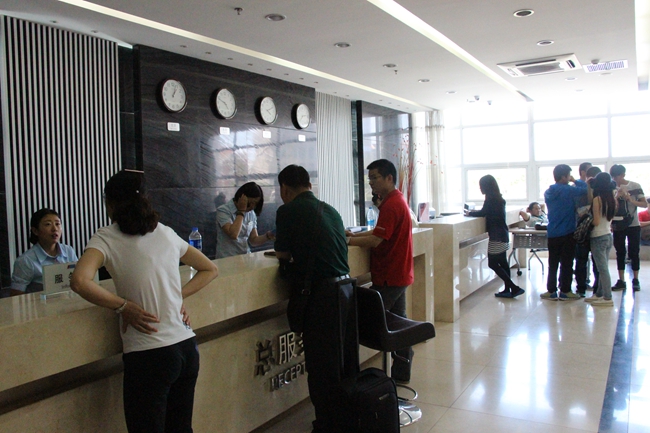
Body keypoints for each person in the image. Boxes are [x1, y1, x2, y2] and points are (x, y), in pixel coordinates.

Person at [70, 170, 219, 433]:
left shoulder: (106, 237)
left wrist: (123, 306)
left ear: (110, 203)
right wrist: (175, 297)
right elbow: (210, 269)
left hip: (149, 355)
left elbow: (80, 281)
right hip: (186, 348)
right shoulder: (165, 232)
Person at [273, 165, 355, 433]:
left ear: (284, 189)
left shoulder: (287, 211)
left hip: (321, 298)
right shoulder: (330, 210)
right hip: (346, 291)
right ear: (309, 185)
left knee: (320, 367)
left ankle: (327, 425)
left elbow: (283, 254)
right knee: (340, 362)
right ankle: (343, 419)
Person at [348, 159, 414, 382]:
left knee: (368, 320)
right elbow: (379, 232)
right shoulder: (395, 200)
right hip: (398, 274)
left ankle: (355, 374)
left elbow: (376, 240)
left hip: (390, 275)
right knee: (399, 323)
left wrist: (348, 242)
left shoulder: (392, 204)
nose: (371, 183)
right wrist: (354, 236)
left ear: (389, 178)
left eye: (375, 178)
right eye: (370, 179)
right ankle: (402, 370)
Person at [466, 175, 524, 298]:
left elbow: (483, 212)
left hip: (496, 236)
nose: (480, 189)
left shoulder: (491, 199)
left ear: (487, 187)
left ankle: (513, 288)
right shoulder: (498, 198)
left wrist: (469, 213)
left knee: (492, 263)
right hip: (503, 234)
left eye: (481, 186)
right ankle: (508, 289)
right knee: (503, 263)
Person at [540, 164, 588, 300]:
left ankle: (551, 291)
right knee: (567, 263)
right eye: (568, 175)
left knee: (553, 263)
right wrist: (575, 180)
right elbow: (585, 189)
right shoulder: (569, 190)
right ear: (564, 177)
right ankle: (565, 291)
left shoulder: (548, 192)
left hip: (552, 232)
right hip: (567, 232)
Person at [10, 208, 78, 296]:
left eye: (57, 224)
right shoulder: (25, 261)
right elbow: (16, 296)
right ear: (35, 231)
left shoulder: (69, 251)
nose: (54, 229)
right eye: (48, 224)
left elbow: (79, 278)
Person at [610, 164, 647, 292]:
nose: (616, 180)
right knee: (620, 252)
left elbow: (644, 204)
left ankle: (635, 279)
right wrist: (616, 197)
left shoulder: (635, 186)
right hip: (617, 224)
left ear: (623, 175)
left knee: (634, 252)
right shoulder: (611, 187)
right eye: (613, 177)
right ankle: (621, 280)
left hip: (633, 224)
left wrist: (630, 199)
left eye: (617, 177)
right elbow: (609, 206)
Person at [216, 182, 274, 258]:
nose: (252, 207)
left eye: (255, 204)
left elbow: (253, 240)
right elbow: (233, 234)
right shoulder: (223, 210)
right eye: (250, 203)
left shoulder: (251, 213)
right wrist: (241, 211)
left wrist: (267, 236)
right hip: (227, 257)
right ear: (241, 198)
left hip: (245, 256)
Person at [584, 172, 617, 306]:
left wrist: (586, 220)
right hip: (608, 235)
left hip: (598, 236)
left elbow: (596, 221)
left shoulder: (598, 199)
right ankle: (599, 293)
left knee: (602, 269)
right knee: (603, 267)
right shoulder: (612, 198)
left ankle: (607, 297)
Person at [574, 162, 593, 296]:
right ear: (582, 172)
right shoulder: (576, 188)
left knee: (594, 260)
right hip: (580, 228)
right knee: (581, 259)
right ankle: (581, 286)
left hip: (593, 227)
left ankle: (594, 286)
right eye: (589, 171)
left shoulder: (594, 187)